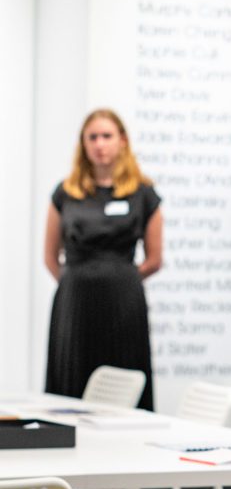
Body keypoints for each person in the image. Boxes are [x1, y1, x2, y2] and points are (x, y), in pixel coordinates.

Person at [44, 109, 163, 410]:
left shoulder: (143, 194)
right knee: (73, 379)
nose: (100, 144)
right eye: (92, 137)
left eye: (106, 136)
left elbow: (154, 259)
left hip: (123, 304)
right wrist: (78, 281)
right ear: (83, 144)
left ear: (122, 140)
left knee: (123, 374)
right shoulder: (65, 192)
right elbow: (50, 256)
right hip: (75, 303)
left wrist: (118, 278)